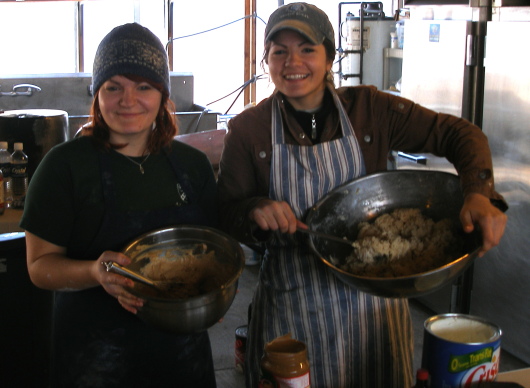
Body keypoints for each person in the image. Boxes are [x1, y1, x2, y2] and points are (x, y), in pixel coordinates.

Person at [216, 3, 508, 388]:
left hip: (375, 304)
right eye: (279, 51)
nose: (292, 63)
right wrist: (255, 211)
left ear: (329, 55)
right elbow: (225, 213)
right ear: (266, 59)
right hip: (293, 303)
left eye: (307, 49)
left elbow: (459, 134)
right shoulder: (248, 129)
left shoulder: (371, 109)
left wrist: (478, 192)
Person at [20, 23, 218, 388]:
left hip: (182, 356)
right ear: (96, 95)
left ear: (163, 95)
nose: (128, 101)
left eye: (144, 86)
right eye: (114, 87)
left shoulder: (192, 166)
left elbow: (212, 257)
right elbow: (38, 266)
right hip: (92, 357)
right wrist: (94, 272)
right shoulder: (64, 166)